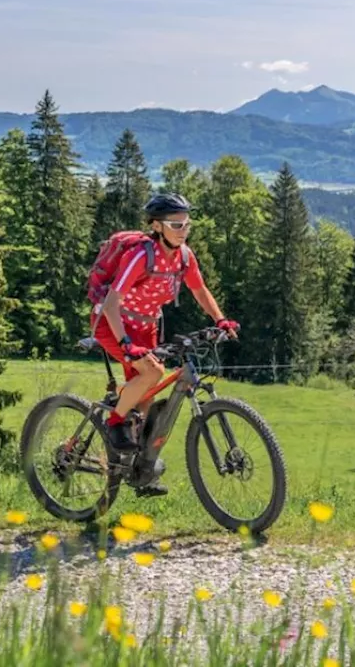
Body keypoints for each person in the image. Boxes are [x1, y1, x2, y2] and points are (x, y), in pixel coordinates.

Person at [91, 193, 238, 495]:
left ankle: (139, 467)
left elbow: (199, 290)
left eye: (187, 224)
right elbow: (110, 302)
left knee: (146, 397)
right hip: (113, 323)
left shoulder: (184, 256)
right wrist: (125, 342)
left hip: (146, 327)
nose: (183, 230)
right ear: (157, 226)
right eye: (175, 224)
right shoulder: (141, 256)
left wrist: (220, 320)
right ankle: (114, 421)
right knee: (152, 373)